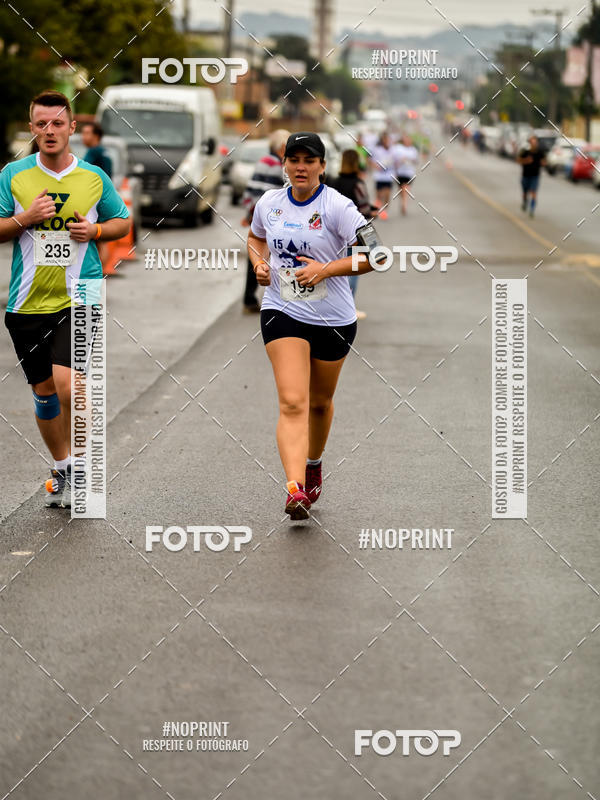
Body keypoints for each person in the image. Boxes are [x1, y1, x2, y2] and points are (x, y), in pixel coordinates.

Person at [0, 90, 130, 508]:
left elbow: (122, 221)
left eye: (58, 123)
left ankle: (85, 467)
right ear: (32, 128)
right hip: (26, 301)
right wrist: (25, 219)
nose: (49, 131)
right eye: (41, 124)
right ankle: (64, 466)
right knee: (43, 393)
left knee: (68, 384)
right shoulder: (13, 176)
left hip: (82, 293)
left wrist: (94, 232)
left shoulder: (93, 177)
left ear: (72, 127)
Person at [247, 132, 377, 520]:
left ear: (323, 166)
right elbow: (255, 237)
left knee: (319, 403)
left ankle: (314, 461)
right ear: (284, 164)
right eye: (294, 159)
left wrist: (326, 269)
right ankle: (294, 488)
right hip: (282, 310)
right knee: (292, 402)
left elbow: (376, 255)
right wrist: (258, 263)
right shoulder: (269, 203)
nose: (300, 167)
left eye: (309, 160)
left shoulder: (339, 207)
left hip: (334, 318)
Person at [241, 129, 290, 313]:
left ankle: (249, 298)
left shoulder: (262, 161)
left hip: (258, 216)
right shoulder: (280, 167)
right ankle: (277, 301)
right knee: (275, 257)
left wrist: (249, 214)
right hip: (271, 220)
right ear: (283, 147)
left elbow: (250, 190)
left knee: (255, 257)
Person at [329, 148, 377, 319]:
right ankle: (348, 308)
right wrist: (373, 212)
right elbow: (364, 209)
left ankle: (334, 305)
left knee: (335, 271)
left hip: (334, 235)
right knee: (353, 271)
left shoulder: (333, 182)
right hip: (355, 235)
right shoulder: (358, 184)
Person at [517, 135, 546, 217]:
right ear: (529, 142)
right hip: (525, 175)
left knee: (533, 193)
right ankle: (525, 202)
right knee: (525, 193)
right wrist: (526, 161)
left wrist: (543, 163)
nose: (534, 144)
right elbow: (518, 160)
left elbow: (544, 162)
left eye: (535, 142)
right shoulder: (525, 151)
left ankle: (532, 210)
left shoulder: (540, 152)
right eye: (532, 142)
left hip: (535, 176)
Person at [369, 131, 395, 220]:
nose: (387, 141)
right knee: (379, 196)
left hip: (389, 176)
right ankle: (376, 211)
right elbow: (370, 160)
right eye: (385, 139)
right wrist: (375, 166)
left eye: (388, 140)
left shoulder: (393, 150)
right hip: (379, 176)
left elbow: (396, 161)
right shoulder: (377, 150)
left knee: (387, 195)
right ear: (382, 140)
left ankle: (384, 211)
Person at [393, 134, 419, 216]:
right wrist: (400, 161)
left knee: (405, 188)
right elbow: (394, 159)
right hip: (400, 172)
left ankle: (404, 205)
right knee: (401, 190)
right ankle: (403, 201)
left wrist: (410, 160)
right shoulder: (399, 148)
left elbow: (416, 161)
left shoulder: (413, 150)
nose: (408, 141)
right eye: (406, 139)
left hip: (409, 173)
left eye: (409, 140)